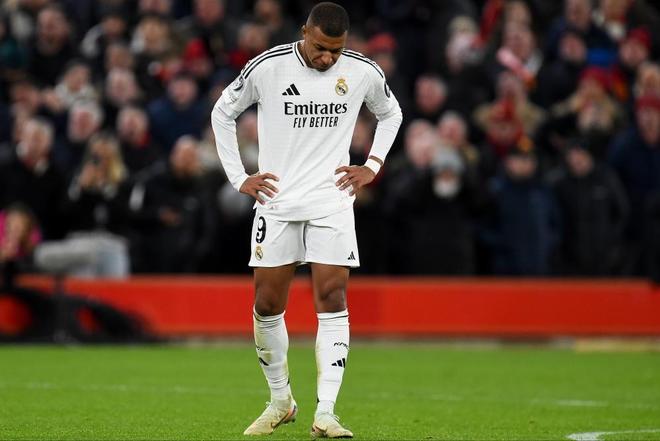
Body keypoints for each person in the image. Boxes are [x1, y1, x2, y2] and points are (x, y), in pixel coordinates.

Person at [210, 2, 402, 438]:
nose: (328, 58)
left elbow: (391, 113)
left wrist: (372, 165)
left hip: (332, 201)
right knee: (267, 304)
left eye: (336, 50)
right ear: (304, 32)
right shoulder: (268, 67)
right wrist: (239, 177)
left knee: (332, 297)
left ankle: (326, 411)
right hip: (277, 202)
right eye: (320, 48)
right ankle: (281, 401)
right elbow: (223, 112)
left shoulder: (362, 71)